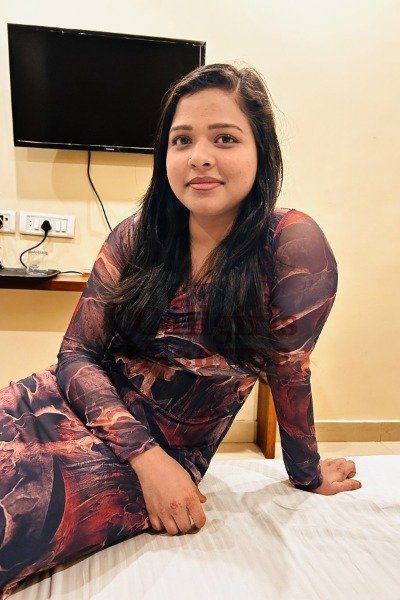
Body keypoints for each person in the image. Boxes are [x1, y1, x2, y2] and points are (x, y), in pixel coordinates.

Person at [0, 63, 361, 598]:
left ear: (261, 151)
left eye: (225, 138)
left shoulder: (291, 245)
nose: (200, 156)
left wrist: (306, 474)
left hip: (151, 457)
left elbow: (289, 374)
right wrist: (142, 453)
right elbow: (76, 354)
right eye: (182, 139)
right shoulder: (136, 236)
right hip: (64, 406)